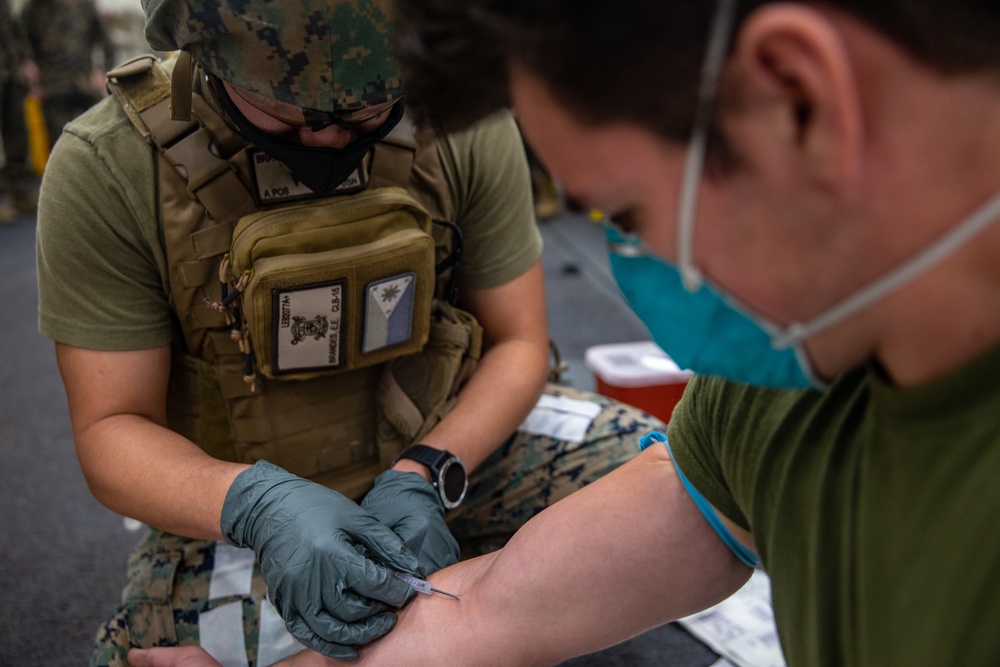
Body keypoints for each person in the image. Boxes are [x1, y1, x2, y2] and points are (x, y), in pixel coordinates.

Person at [127, 0, 1000, 664]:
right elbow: (498, 608)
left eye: (630, 210)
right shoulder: (780, 386)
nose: (634, 260)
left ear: (798, 103)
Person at [34, 0, 659, 664]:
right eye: (285, 115)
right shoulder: (112, 165)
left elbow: (520, 343)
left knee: (675, 486)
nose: (330, 140)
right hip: (241, 503)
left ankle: (455, 599)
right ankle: (477, 595)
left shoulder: (458, 118)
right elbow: (112, 429)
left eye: (365, 113)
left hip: (451, 447)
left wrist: (429, 468)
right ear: (205, 57)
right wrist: (257, 504)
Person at [20, 0, 114, 147]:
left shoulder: (85, 5)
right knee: (61, 145)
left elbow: (105, 40)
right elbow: (22, 46)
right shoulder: (35, 7)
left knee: (97, 138)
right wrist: (33, 84)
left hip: (84, 87)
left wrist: (103, 72)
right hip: (52, 90)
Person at [0, 0, 39, 222]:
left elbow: (12, 26)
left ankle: (20, 191)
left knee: (18, 133)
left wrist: (26, 59)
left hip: (11, 71)